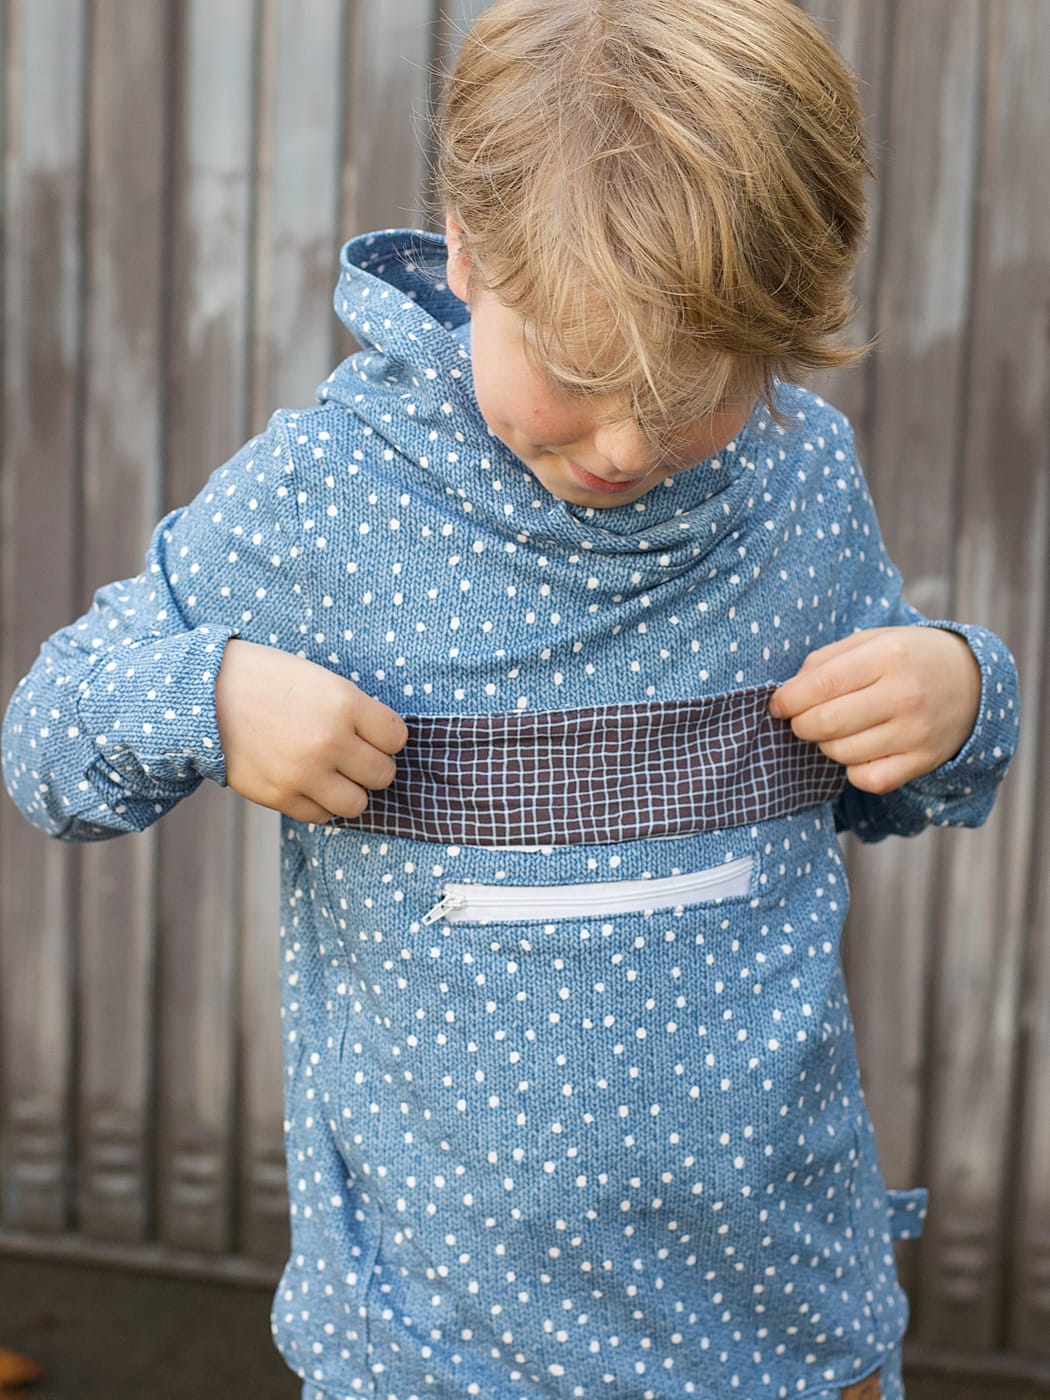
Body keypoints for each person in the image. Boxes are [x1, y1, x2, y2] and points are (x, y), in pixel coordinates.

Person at [1, 1, 1020, 1397]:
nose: (626, 445)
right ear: (470, 255)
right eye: (580, 374)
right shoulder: (333, 495)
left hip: (788, 1324)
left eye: (696, 392)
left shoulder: (795, 475)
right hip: (439, 1350)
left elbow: (879, 785)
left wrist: (957, 695)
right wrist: (211, 698)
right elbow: (47, 740)